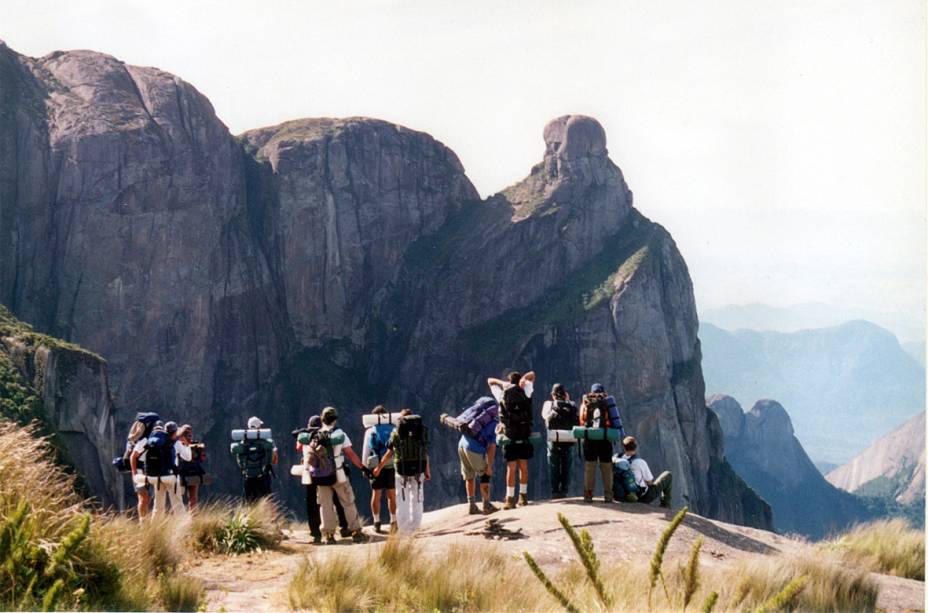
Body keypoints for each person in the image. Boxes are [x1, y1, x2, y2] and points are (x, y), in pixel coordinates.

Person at [373, 409, 430, 534]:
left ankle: (404, 528)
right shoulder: (421, 431)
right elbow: (424, 451)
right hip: (418, 468)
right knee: (417, 497)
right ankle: (415, 526)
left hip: (401, 470)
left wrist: (379, 467)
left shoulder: (396, 432)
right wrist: (427, 470)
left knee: (402, 498)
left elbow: (389, 452)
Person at [317, 407, 369, 544]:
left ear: (322, 419)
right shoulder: (339, 434)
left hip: (321, 475)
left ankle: (328, 535)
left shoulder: (316, 434)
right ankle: (355, 531)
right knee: (347, 502)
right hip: (338, 473)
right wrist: (363, 467)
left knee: (325, 505)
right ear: (334, 419)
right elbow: (350, 454)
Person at [296, 415, 350, 544]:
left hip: (310, 473)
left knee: (312, 503)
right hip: (328, 472)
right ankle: (344, 527)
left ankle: (316, 534)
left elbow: (298, 447)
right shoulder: (325, 435)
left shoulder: (305, 436)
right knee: (336, 500)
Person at [488, 370, 536, 509]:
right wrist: (525, 379)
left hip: (510, 433)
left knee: (511, 467)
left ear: (509, 381)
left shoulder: (502, 393)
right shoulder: (526, 389)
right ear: (520, 381)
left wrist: (502, 383)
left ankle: (509, 499)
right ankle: (523, 497)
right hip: (524, 432)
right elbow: (532, 374)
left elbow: (489, 380)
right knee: (523, 466)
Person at [580, 383, 626, 503]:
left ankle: (588, 495)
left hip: (589, 439)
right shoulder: (607, 401)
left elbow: (581, 421)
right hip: (605, 439)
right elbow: (616, 421)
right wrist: (621, 436)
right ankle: (608, 496)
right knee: (606, 467)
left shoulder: (586, 401)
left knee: (590, 467)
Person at [456, 400, 499, 515]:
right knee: (484, 475)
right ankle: (486, 504)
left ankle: (472, 506)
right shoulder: (494, 424)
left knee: (469, 475)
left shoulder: (472, 419)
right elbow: (492, 447)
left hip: (462, 444)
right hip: (473, 448)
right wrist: (489, 466)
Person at [139, 422, 187, 518]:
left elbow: (141, 458)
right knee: (177, 503)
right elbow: (187, 457)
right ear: (174, 432)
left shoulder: (156, 441)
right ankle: (183, 526)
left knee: (158, 505)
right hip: (170, 477)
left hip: (156, 475)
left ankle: (155, 528)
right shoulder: (173, 443)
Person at [362, 405, 397, 533]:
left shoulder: (370, 431)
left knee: (376, 494)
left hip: (375, 466)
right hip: (391, 465)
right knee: (391, 495)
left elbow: (366, 451)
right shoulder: (394, 429)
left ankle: (377, 522)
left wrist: (364, 468)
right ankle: (393, 521)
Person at [541, 383, 579, 499]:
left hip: (554, 439)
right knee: (567, 465)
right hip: (569, 439)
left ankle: (555, 491)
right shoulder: (571, 405)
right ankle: (564, 490)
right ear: (565, 394)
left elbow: (545, 417)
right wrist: (568, 401)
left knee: (553, 465)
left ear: (553, 394)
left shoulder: (549, 404)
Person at [232, 416, 278, 502]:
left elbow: (240, 461)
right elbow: (274, 460)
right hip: (263, 476)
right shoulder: (266, 441)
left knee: (249, 503)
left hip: (248, 476)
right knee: (267, 502)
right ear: (258, 427)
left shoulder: (243, 442)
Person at [620, 436, 672, 508]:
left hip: (622, 494)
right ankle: (665, 504)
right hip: (642, 497)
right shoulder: (640, 462)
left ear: (624, 447)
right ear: (636, 447)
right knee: (668, 475)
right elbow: (649, 482)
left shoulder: (617, 459)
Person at [176, 424, 205, 510]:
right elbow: (202, 458)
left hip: (181, 473)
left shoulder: (177, 445)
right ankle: (193, 517)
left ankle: (179, 519)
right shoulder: (196, 445)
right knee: (193, 498)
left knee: (178, 497)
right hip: (194, 472)